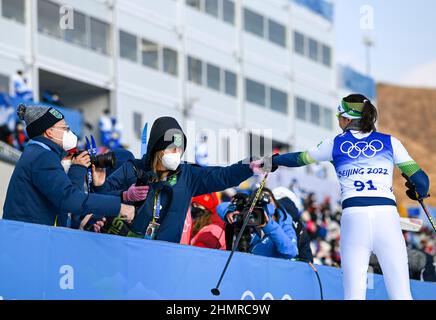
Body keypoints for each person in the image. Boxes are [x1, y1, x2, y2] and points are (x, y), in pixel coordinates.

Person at [253, 94, 430, 300]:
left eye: (339, 116)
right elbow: (422, 182)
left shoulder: (335, 144)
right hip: (386, 218)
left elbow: (299, 158)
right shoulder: (390, 142)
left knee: (353, 296)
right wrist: (416, 190)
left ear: (347, 119)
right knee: (401, 295)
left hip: (354, 219)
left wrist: (271, 161)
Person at [92, 116, 255, 243]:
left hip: (166, 255)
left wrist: (252, 166)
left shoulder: (188, 176)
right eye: (172, 148)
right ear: (157, 149)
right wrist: (125, 195)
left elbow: (224, 176)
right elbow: (100, 195)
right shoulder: (132, 168)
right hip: (127, 247)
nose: (177, 152)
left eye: (180, 148)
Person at [3, 104, 135, 227]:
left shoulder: (35, 153)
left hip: (25, 236)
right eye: (65, 128)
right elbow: (68, 199)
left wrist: (77, 169)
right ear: (49, 132)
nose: (69, 133)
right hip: (28, 239)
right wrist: (119, 207)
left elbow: (61, 200)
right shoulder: (43, 157)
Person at [217, 188, 299, 260]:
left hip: (270, 269)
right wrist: (230, 212)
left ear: (276, 205)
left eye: (268, 201)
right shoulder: (250, 215)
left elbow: (291, 252)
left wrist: (268, 225)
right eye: (259, 203)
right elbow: (220, 207)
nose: (265, 206)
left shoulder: (284, 221)